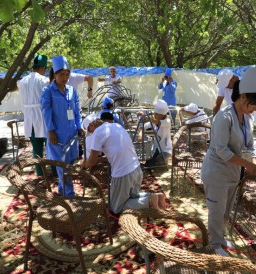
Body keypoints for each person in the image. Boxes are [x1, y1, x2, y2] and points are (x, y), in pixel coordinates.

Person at [201, 67, 256, 257]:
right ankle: (214, 244)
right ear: (244, 96)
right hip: (216, 174)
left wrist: (253, 161)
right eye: (254, 104)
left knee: (225, 210)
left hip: (232, 174)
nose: (255, 109)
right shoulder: (224, 117)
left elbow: (250, 146)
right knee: (216, 210)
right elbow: (221, 150)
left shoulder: (246, 119)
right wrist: (247, 165)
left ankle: (220, 238)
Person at [81, 119, 166, 214]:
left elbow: (92, 162)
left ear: (92, 124)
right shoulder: (116, 126)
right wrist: (96, 160)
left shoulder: (98, 132)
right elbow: (111, 154)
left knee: (115, 207)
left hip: (123, 173)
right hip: (137, 169)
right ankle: (156, 196)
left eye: (90, 130)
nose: (91, 133)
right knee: (132, 197)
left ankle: (148, 200)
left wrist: (85, 163)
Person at [41, 55, 83, 197]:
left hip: (71, 134)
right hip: (57, 135)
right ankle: (69, 195)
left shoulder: (72, 91)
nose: (64, 78)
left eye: (67, 74)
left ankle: (62, 190)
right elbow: (46, 113)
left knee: (69, 165)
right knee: (62, 166)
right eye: (61, 74)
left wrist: (80, 126)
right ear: (54, 74)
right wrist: (51, 131)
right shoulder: (48, 92)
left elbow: (77, 111)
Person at [17, 54, 50, 176]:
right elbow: (48, 100)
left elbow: (22, 101)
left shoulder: (22, 81)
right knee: (50, 146)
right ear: (43, 68)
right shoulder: (45, 80)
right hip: (43, 117)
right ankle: (54, 171)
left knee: (36, 148)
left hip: (29, 118)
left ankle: (40, 172)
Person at [141, 99, 172, 168]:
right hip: (156, 147)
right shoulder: (154, 121)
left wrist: (147, 117)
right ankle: (154, 162)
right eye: (154, 113)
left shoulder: (167, 121)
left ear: (162, 115)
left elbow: (157, 122)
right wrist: (140, 132)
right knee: (149, 163)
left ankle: (163, 162)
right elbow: (144, 126)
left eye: (156, 114)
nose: (154, 115)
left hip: (165, 148)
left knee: (159, 159)